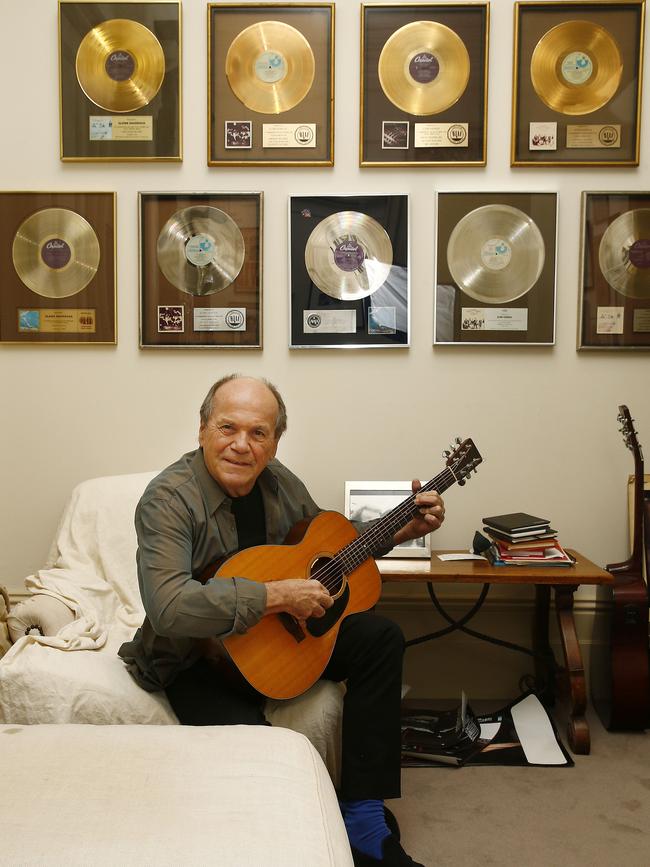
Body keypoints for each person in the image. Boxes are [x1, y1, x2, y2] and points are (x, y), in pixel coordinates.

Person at [119, 374, 445, 867]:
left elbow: (329, 548)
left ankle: (362, 816)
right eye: (228, 427)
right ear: (203, 429)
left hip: (279, 645)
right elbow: (168, 607)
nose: (241, 445)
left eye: (259, 433)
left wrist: (399, 530)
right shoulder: (167, 499)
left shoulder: (281, 483)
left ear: (274, 443)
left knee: (381, 636)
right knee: (264, 768)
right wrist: (273, 596)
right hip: (198, 660)